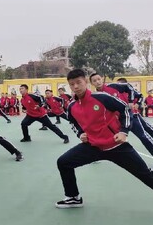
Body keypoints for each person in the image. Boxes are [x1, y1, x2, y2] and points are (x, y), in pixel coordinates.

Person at [56, 69, 153, 208]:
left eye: (78, 82)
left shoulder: (101, 97)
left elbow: (125, 110)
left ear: (86, 82)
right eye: (72, 84)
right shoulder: (72, 106)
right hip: (93, 146)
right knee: (63, 162)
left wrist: (124, 131)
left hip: (116, 145)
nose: (76, 87)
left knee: (146, 175)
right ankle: (73, 197)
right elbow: (72, 122)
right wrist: (79, 133)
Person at [90, 73, 153, 157]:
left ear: (102, 78)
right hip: (117, 122)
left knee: (143, 136)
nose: (97, 82)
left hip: (129, 116)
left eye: (98, 79)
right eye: (94, 81)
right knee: (118, 144)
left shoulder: (113, 86)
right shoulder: (96, 96)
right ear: (91, 83)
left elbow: (128, 87)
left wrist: (131, 101)